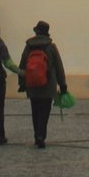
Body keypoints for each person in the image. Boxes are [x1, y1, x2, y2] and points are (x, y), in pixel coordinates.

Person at [18, 18, 67, 147]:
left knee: (35, 110)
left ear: (36, 31)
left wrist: (22, 83)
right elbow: (58, 66)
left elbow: (22, 64)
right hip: (48, 84)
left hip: (32, 84)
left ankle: (36, 134)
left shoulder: (29, 46)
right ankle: (41, 135)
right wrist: (63, 85)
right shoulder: (51, 47)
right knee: (45, 110)